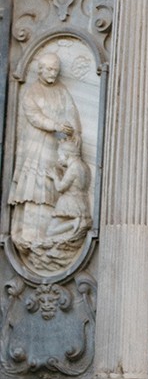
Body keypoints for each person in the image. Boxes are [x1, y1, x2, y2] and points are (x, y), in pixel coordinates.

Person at [9, 51, 81, 255]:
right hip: (36, 143)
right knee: (34, 184)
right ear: (40, 69)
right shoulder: (33, 90)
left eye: (56, 70)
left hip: (55, 146)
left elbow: (71, 112)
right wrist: (55, 125)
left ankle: (43, 234)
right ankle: (28, 234)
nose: (53, 73)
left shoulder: (62, 90)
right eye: (49, 69)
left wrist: (75, 132)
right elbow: (34, 116)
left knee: (50, 184)